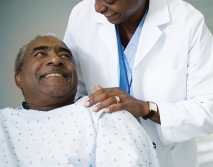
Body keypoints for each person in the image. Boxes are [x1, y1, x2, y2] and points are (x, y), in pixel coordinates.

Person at [64, 0, 213, 166]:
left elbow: (211, 109)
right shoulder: (81, 17)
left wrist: (146, 109)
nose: (98, 8)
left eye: (109, 0)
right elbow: (72, 93)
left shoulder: (187, 21)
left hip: (166, 159)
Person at [0, 34, 159, 167]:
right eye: (40, 54)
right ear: (18, 78)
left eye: (65, 56)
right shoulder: (4, 123)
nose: (56, 60)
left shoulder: (104, 112)